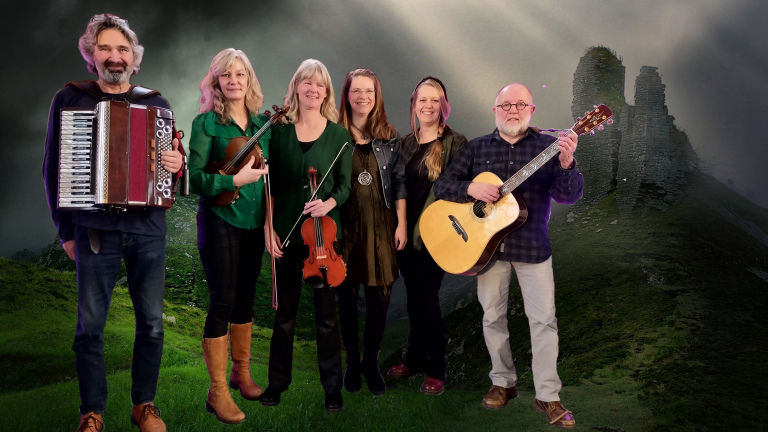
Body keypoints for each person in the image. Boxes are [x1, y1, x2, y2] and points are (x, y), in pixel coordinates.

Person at [42, 13, 182, 432]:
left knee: (153, 324)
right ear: (91, 54)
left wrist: (178, 164)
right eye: (105, 48)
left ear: (134, 59)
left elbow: (171, 165)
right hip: (93, 230)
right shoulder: (70, 99)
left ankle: (145, 405)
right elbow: (52, 169)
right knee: (90, 328)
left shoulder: (156, 103)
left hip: (148, 231)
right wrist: (66, 231)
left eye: (122, 49)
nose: (114, 56)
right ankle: (92, 411)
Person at [433, 83, 582, 429]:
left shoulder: (550, 147)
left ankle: (548, 394)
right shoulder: (476, 148)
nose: (512, 110)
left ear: (532, 110)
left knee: (543, 321)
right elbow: (442, 186)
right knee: (491, 318)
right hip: (487, 251)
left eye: (520, 105)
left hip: (533, 248)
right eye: (505, 105)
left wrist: (567, 161)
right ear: (495, 110)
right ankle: (503, 383)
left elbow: (569, 196)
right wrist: (470, 188)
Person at [261, 59, 352, 413]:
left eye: (320, 84)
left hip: (323, 239)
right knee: (284, 315)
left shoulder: (339, 135)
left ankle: (332, 387)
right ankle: (277, 382)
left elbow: (344, 186)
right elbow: (272, 187)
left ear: (326, 92)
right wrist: (268, 229)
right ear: (296, 87)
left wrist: (328, 203)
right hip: (285, 235)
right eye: (306, 83)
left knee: (328, 318)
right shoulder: (280, 133)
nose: (313, 89)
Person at [188, 48, 271, 424]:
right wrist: (232, 180)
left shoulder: (261, 125)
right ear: (217, 81)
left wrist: (270, 221)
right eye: (227, 75)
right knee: (222, 302)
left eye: (241, 74)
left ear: (249, 79)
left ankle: (241, 373)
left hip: (254, 221)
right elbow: (192, 180)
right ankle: (217, 391)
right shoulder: (206, 123)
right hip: (221, 217)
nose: (234, 80)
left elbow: (268, 178)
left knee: (246, 300)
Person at [387, 77, 467, 396]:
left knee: (427, 299)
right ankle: (415, 358)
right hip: (406, 233)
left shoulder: (456, 142)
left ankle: (437, 369)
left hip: (438, 233)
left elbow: (463, 186)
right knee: (413, 298)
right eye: (423, 99)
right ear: (414, 104)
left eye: (435, 100)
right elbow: (397, 188)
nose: (428, 105)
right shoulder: (405, 143)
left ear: (443, 105)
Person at [335, 69, 406, 396]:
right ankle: (351, 362)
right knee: (347, 300)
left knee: (379, 301)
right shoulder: (333, 134)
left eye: (369, 92)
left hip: (382, 228)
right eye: (356, 91)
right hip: (345, 230)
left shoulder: (390, 136)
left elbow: (401, 184)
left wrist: (402, 224)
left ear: (377, 97)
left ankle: (369, 363)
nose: (363, 97)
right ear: (346, 95)